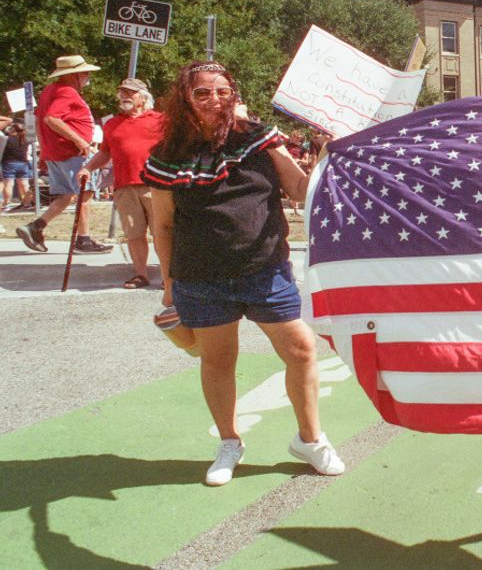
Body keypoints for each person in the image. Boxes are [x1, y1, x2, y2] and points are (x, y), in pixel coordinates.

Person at [142, 61, 344, 487]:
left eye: (223, 90)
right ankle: (230, 442)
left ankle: (310, 438)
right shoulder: (167, 155)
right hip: (200, 275)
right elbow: (162, 225)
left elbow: (301, 192)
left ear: (235, 94)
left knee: (301, 350)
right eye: (203, 93)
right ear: (186, 102)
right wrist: (169, 284)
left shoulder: (260, 137)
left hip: (264, 267)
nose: (215, 100)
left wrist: (328, 151)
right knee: (219, 360)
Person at [16, 55, 112, 253]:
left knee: (68, 195)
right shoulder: (68, 92)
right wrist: (80, 140)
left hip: (55, 153)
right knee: (85, 193)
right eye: (85, 73)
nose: (87, 77)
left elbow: (40, 121)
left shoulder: (50, 91)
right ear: (73, 75)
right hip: (71, 153)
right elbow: (52, 118)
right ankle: (83, 239)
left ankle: (36, 227)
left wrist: (44, 153)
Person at [76, 78, 165, 288]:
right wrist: (88, 167)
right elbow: (105, 153)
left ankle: (168, 278)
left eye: (131, 93)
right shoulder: (112, 124)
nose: (124, 96)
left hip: (157, 186)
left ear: (143, 98)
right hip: (124, 187)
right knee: (134, 233)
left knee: (162, 233)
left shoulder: (161, 121)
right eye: (122, 92)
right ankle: (141, 274)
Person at [2, 119, 33, 211]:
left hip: (9, 163)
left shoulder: (7, 139)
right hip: (23, 164)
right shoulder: (25, 139)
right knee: (24, 184)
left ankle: (7, 203)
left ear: (13, 130)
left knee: (9, 184)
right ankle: (27, 203)